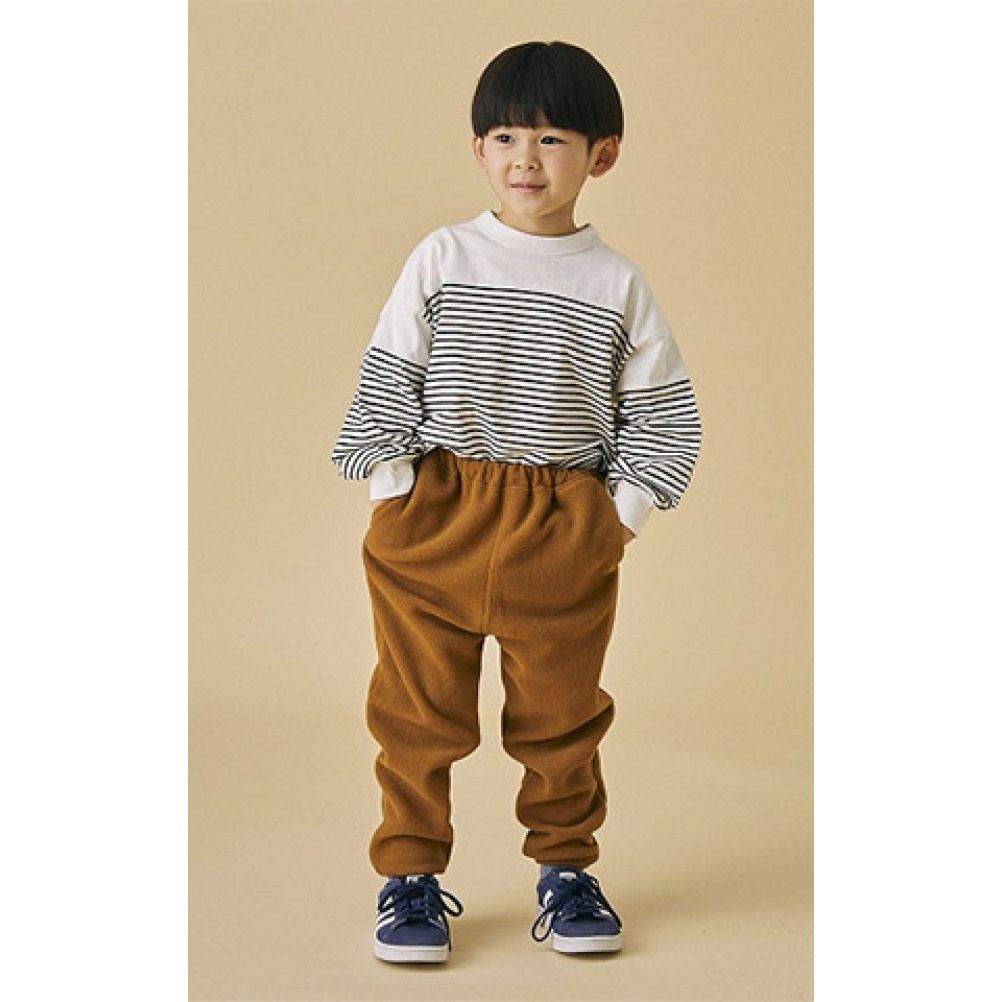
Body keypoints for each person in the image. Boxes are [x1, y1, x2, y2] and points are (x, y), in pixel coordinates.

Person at [331, 39, 702, 964]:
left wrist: (614, 521)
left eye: (551, 139)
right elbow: (391, 371)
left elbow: (661, 412)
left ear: (601, 155)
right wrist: (394, 490)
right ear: (477, 149)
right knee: (415, 714)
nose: (525, 160)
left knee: (563, 719)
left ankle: (567, 869)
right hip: (439, 518)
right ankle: (409, 877)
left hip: (560, 529)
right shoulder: (444, 256)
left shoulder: (616, 283)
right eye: (504, 138)